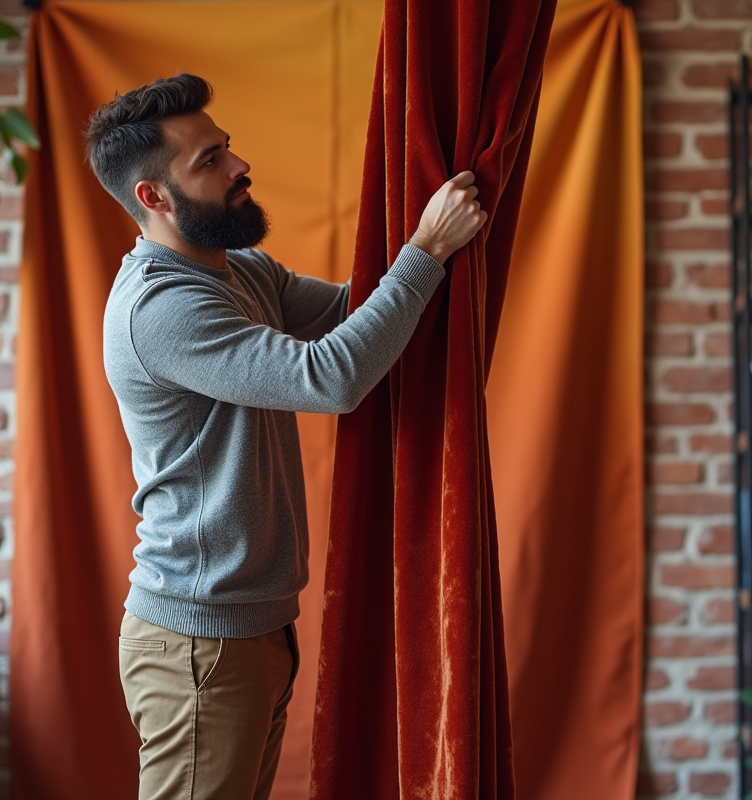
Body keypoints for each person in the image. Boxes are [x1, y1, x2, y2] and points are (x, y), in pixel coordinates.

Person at [87, 73, 485, 800]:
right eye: (209, 161)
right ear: (154, 198)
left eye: (227, 148)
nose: (240, 167)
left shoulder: (240, 271)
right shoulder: (160, 309)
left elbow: (359, 312)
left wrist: (440, 258)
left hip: (250, 630)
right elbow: (330, 376)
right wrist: (427, 248)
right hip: (199, 643)